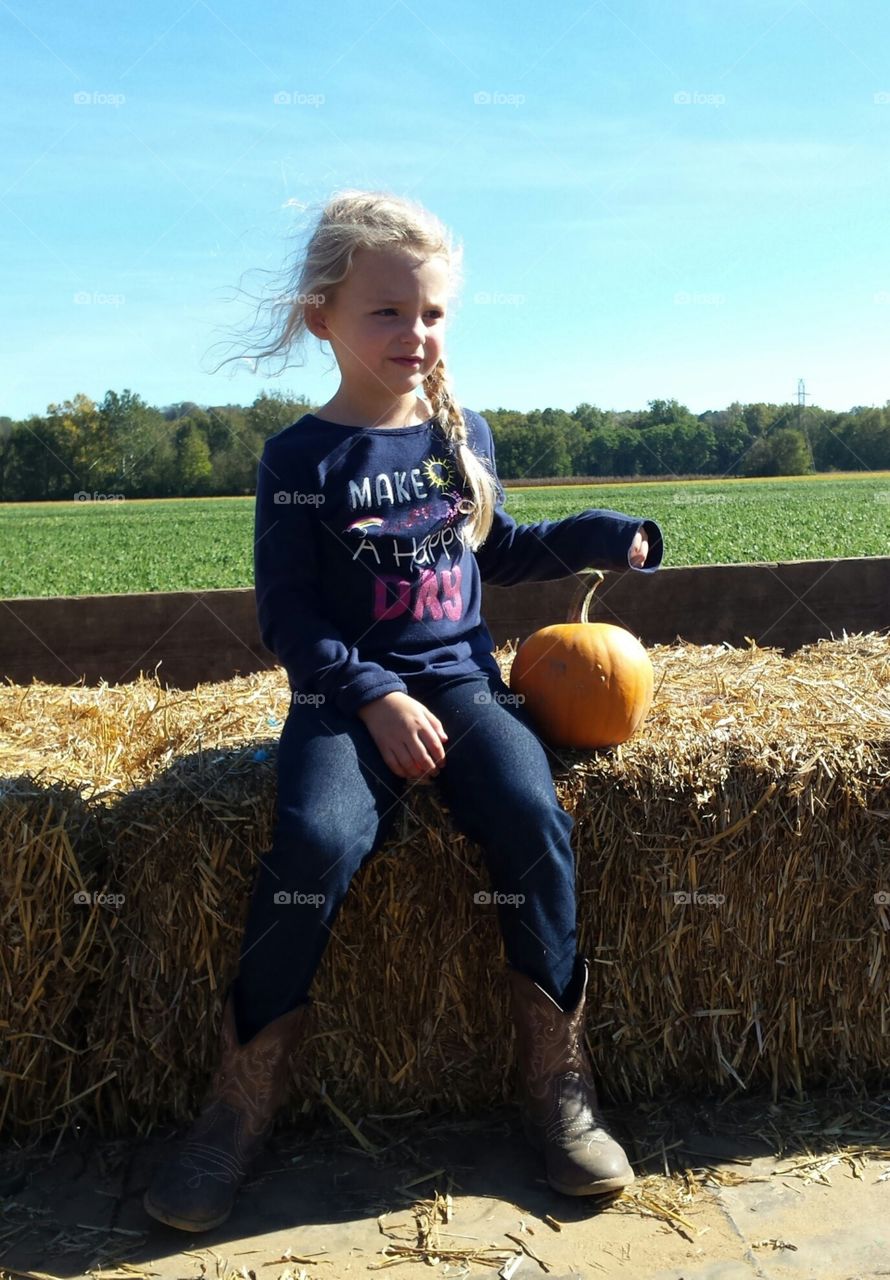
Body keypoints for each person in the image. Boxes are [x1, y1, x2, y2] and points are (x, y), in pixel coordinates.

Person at [143, 189, 664, 1233]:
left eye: (429, 314)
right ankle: (236, 1106)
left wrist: (600, 535)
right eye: (387, 312)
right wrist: (370, 691)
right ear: (321, 318)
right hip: (341, 698)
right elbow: (286, 615)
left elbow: (494, 547)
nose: (413, 334)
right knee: (314, 839)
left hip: (464, 688)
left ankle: (557, 1084)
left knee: (532, 819)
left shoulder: (455, 430)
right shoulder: (300, 459)